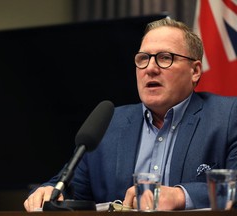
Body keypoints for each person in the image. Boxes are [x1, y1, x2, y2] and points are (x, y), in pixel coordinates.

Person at [24, 17, 237, 211]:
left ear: (195, 71)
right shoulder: (109, 123)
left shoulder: (227, 116)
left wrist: (181, 195)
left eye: (165, 58)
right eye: (143, 58)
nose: (150, 68)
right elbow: (70, 189)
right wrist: (50, 192)